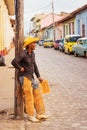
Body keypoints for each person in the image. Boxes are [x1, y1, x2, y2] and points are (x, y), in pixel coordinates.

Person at [11, 36, 49, 122]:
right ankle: (30, 115)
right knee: (29, 96)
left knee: (38, 94)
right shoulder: (23, 54)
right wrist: (20, 68)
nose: (35, 45)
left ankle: (40, 114)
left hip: (31, 77)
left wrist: (39, 76)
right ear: (29, 45)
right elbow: (14, 62)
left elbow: (34, 66)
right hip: (24, 77)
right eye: (33, 43)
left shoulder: (32, 54)